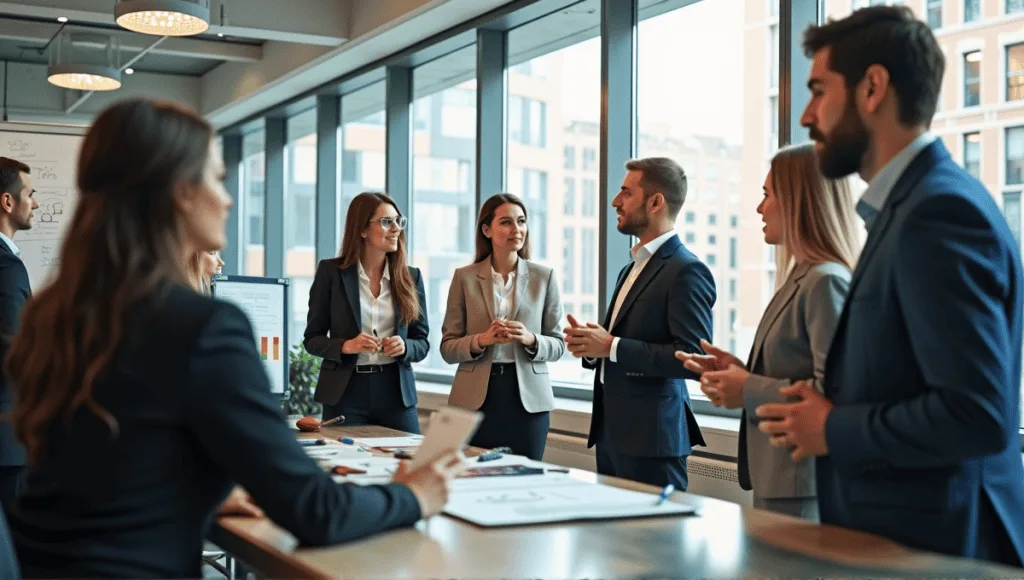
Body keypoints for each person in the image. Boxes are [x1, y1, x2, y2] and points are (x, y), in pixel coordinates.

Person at [2, 99, 463, 579]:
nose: (227, 199)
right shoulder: (199, 325)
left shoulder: (56, 314)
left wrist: (209, 492)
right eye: (217, 179)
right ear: (180, 191)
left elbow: (121, 461)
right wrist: (414, 494)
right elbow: (317, 511)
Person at [755, 6, 1024, 565]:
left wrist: (833, 426)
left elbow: (977, 416)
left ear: (873, 88)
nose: (807, 114)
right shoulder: (909, 210)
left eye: (818, 90)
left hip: (942, 546)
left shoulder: (939, 213)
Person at [675, 143, 858, 520]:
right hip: (782, 479)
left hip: (803, 485)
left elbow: (837, 397)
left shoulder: (825, 282)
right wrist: (739, 371)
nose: (759, 208)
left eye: (767, 194)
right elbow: (796, 372)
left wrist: (747, 388)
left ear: (798, 200)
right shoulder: (801, 277)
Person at [564, 157, 715, 490]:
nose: (616, 202)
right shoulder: (630, 268)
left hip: (653, 444)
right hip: (612, 436)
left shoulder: (687, 270)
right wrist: (592, 347)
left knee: (659, 542)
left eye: (625, 193)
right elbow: (617, 344)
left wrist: (611, 346)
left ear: (655, 202)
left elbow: (693, 359)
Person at [440, 194, 565, 460]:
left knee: (527, 480)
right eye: (506, 222)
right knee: (474, 480)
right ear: (486, 230)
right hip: (475, 399)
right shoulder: (464, 278)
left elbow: (558, 345)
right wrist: (481, 341)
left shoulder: (544, 277)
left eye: (521, 222)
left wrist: (531, 339)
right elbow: (448, 348)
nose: (516, 229)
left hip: (528, 400)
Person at [305, 192, 429, 433]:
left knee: (406, 461)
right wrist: (346, 346)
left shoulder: (411, 277)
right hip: (345, 392)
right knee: (347, 464)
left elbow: (422, 342)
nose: (396, 229)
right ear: (362, 229)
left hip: (395, 393)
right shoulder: (331, 273)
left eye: (398, 221)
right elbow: (312, 339)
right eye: (386, 222)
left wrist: (404, 347)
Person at [0, 157, 35, 512]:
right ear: (7, 202)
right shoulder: (7, 266)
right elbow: (13, 346)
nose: (35, 203)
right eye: (30, 194)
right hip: (7, 443)